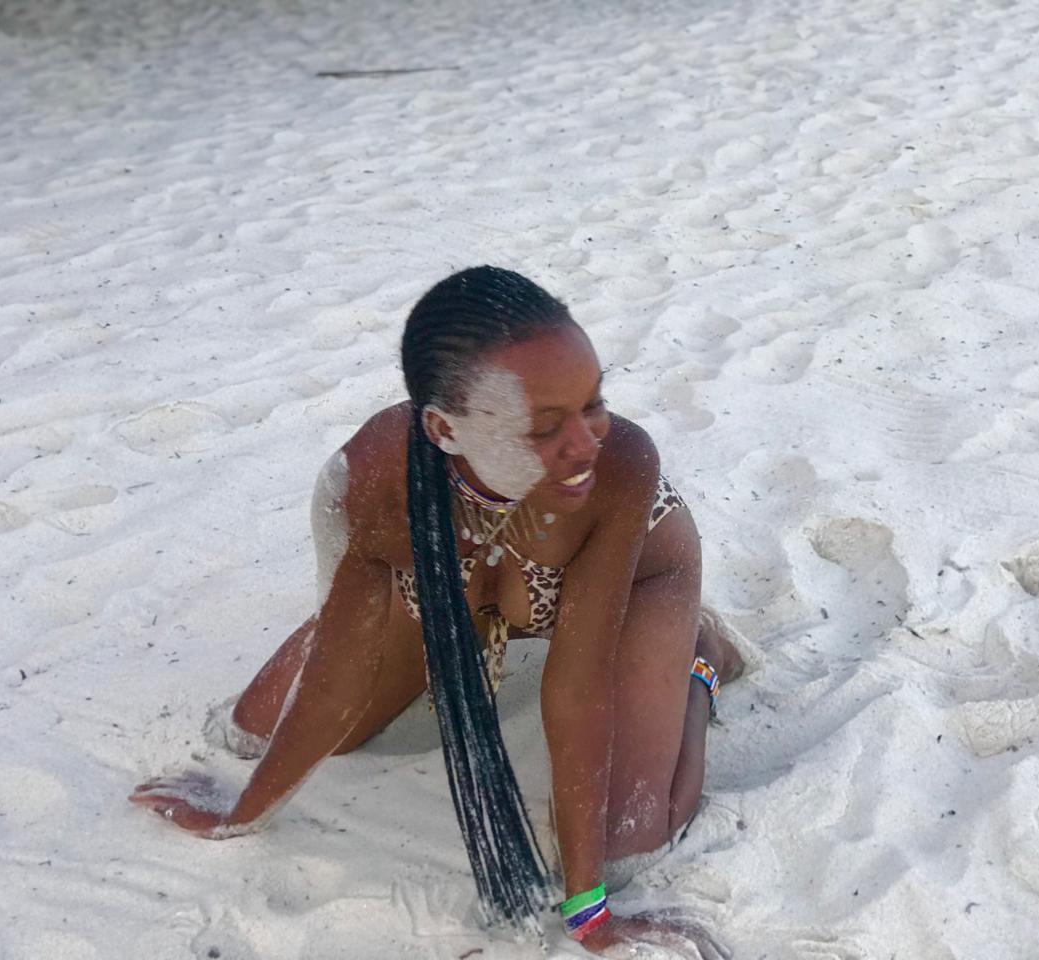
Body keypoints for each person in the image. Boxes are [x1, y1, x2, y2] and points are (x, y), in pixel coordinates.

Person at [131, 266, 743, 957]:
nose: (586, 444)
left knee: (624, 844)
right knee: (254, 731)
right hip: (457, 581)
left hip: (635, 580)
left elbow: (577, 687)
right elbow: (335, 673)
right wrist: (242, 815)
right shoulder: (370, 477)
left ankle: (700, 660)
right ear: (444, 428)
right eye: (545, 426)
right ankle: (420, 605)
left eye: (593, 403)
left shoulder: (619, 465)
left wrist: (587, 911)